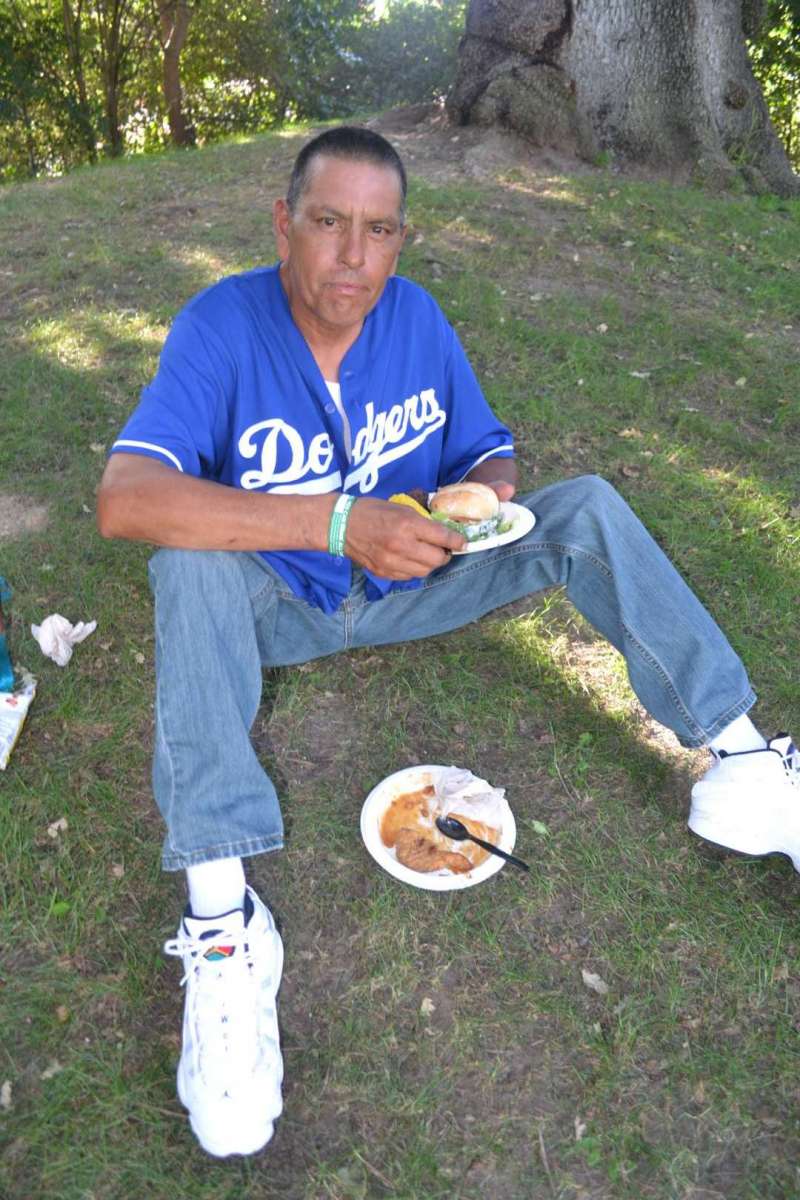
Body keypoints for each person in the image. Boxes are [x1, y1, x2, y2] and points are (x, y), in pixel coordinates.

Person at [96, 125, 799, 1158]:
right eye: (328, 222)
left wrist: (478, 509)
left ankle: (744, 762)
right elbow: (126, 498)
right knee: (184, 566)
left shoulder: (416, 319)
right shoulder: (221, 325)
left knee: (584, 506)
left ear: (401, 239)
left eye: (379, 231)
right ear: (283, 225)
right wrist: (339, 523)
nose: (353, 256)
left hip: (410, 584)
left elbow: (486, 454)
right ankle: (222, 926)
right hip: (273, 606)